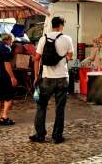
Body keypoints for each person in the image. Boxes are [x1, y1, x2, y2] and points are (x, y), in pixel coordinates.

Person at [30, 16, 74, 144]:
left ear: (52, 25)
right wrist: (63, 59)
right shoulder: (67, 39)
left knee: (41, 106)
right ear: (61, 25)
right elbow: (70, 56)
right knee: (60, 108)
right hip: (62, 78)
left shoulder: (43, 39)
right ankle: (57, 136)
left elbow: (37, 58)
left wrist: (36, 76)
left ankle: (40, 135)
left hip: (47, 79)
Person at [0, 33, 18, 126]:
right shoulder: (6, 49)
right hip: (4, 75)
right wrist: (12, 77)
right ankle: (4, 117)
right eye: (11, 40)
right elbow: (7, 64)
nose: (11, 42)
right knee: (9, 96)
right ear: (8, 39)